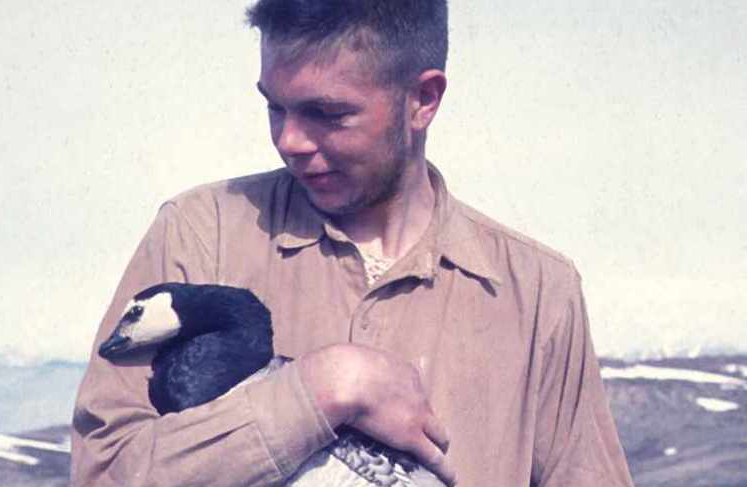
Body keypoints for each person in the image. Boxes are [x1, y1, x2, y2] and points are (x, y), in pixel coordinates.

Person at [71, 1, 635, 486]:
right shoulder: (198, 233)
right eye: (275, 106)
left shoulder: (539, 293)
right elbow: (104, 473)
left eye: (327, 113)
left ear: (424, 100)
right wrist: (320, 389)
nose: (288, 141)